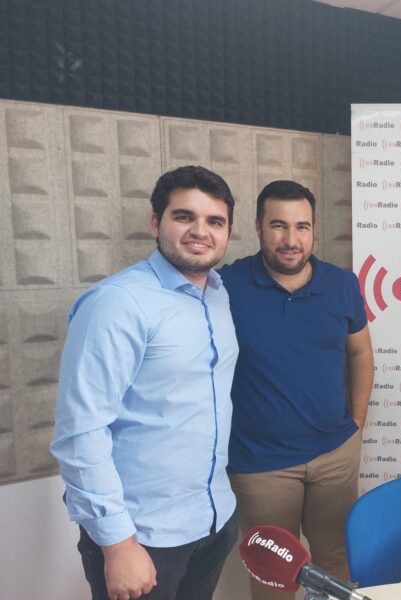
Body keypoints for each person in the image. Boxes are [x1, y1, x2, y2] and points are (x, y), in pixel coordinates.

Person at [51, 166, 240, 600]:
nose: (201, 231)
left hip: (211, 521)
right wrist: (117, 543)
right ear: (156, 222)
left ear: (228, 232)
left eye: (215, 221)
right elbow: (80, 432)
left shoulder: (217, 294)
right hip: (142, 536)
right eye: (184, 217)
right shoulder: (118, 303)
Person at [219, 180, 373, 600]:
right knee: (272, 576)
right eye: (278, 226)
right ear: (258, 226)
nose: (291, 239)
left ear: (313, 229)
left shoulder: (342, 285)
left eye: (302, 226)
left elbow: (360, 354)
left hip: (335, 454)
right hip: (260, 465)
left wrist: (356, 424)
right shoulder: (225, 287)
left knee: (336, 563)